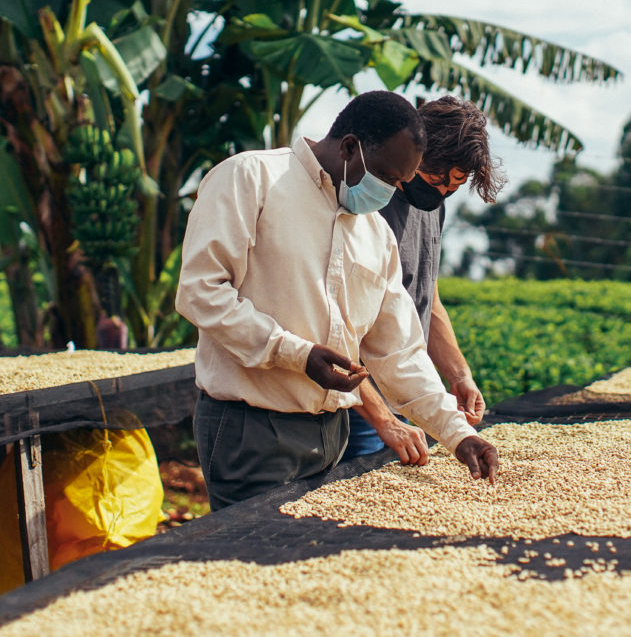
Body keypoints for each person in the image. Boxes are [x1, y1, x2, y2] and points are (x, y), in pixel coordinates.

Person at [175, 90, 500, 510]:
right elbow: (201, 292)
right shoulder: (250, 178)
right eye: (386, 177)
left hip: (332, 435)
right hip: (250, 428)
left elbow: (399, 350)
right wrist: (296, 354)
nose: (392, 192)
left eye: (401, 182)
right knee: (257, 563)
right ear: (350, 147)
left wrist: (458, 434)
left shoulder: (374, 233)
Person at [343, 95, 504, 464]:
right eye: (436, 180)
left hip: (410, 393)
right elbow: (335, 325)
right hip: (359, 403)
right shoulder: (368, 206)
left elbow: (426, 295)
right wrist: (382, 418)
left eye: (453, 187)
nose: (441, 192)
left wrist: (458, 374)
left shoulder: (434, 207)